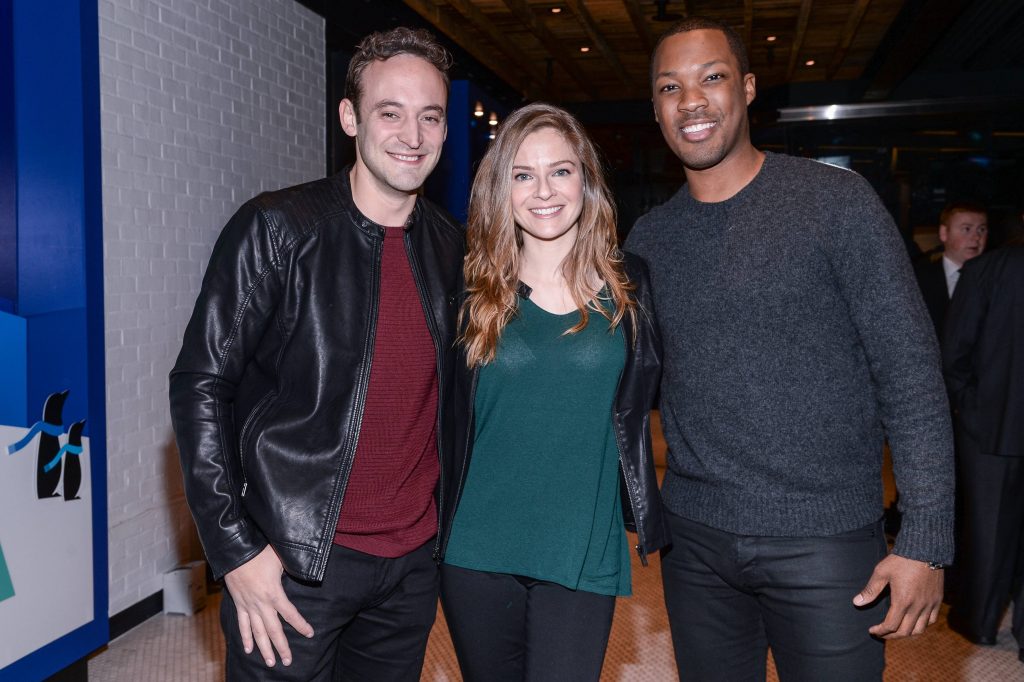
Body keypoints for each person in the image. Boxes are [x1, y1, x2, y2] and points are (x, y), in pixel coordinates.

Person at [625, 17, 954, 681]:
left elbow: (911, 375)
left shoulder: (836, 203)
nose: (690, 100)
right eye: (669, 86)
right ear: (657, 110)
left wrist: (926, 536)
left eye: (711, 77)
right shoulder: (650, 239)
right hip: (696, 543)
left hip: (826, 541)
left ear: (746, 89)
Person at [168, 27, 464, 681]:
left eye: (430, 116)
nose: (412, 135)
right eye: (390, 112)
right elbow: (200, 383)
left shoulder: (452, 249)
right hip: (294, 557)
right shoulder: (277, 228)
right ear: (351, 116)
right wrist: (236, 549)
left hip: (410, 565)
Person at [437, 102, 669, 681]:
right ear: (501, 188)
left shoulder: (631, 283)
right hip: (476, 547)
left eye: (560, 171)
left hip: (582, 543)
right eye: (523, 174)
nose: (544, 190)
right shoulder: (466, 288)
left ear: (586, 180)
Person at [942, 226, 1024, 654]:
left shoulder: (985, 271)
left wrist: (972, 412)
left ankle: (982, 624)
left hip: (990, 430)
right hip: (993, 424)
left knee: (988, 537)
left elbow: (953, 353)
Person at [915, 201, 989, 340]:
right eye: (967, 229)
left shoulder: (995, 278)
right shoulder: (918, 278)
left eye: (981, 229)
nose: (976, 237)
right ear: (944, 233)